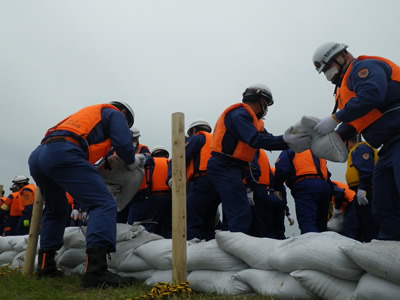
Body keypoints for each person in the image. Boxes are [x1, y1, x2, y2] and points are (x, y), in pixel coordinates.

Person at [28, 101, 140, 288]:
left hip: (40, 155)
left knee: (56, 210)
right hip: (64, 152)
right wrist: (132, 160)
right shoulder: (114, 113)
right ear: (123, 113)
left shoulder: (87, 116)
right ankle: (96, 272)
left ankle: (45, 268)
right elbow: (122, 143)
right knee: (103, 203)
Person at [312, 42, 400, 240]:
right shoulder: (345, 90)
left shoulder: (362, 68)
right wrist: (332, 136)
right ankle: (391, 251)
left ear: (342, 55)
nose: (328, 73)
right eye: (324, 71)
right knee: (383, 203)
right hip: (389, 145)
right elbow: (356, 120)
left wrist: (336, 119)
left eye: (328, 67)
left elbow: (372, 95)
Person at [207, 84, 311, 234]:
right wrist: (285, 140)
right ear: (261, 101)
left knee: (234, 210)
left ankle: (230, 243)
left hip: (233, 168)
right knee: (239, 212)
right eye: (266, 105)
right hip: (224, 166)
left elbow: (267, 138)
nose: (266, 109)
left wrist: (288, 141)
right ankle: (233, 247)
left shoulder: (251, 121)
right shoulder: (239, 114)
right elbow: (256, 140)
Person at [274, 149, 332, 234]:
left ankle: (312, 246)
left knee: (307, 223)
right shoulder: (317, 151)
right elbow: (327, 174)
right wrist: (330, 198)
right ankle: (323, 246)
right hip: (324, 186)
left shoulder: (292, 149)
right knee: (321, 226)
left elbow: (281, 168)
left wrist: (277, 187)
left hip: (306, 185)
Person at [185, 120, 220, 240]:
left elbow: (183, 156)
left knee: (193, 216)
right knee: (209, 219)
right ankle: (209, 244)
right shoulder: (218, 140)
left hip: (202, 180)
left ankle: (191, 246)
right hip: (219, 182)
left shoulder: (198, 138)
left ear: (194, 130)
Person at [344, 135, 379, 241]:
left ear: (347, 142)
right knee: (358, 224)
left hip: (367, 190)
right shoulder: (358, 150)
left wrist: (362, 188)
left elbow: (367, 169)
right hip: (363, 190)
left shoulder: (360, 148)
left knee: (369, 225)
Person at [144, 145, 172, 238]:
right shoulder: (170, 162)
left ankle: (149, 245)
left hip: (154, 197)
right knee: (167, 225)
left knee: (152, 224)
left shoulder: (150, 162)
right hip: (170, 197)